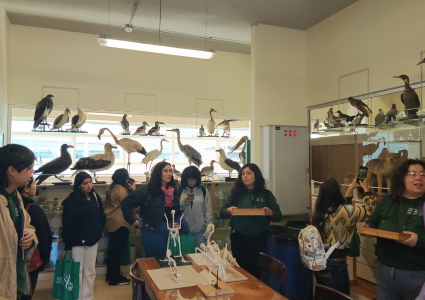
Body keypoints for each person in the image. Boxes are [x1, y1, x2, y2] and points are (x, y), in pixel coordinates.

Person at [362, 159, 425, 300]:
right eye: (412, 174)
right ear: (402, 178)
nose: (419, 177)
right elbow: (374, 221)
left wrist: (418, 240)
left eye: (423, 174)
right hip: (384, 270)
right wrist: (369, 228)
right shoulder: (389, 200)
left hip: (417, 274)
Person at [311, 176, 377, 296]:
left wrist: (351, 187)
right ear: (336, 193)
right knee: (341, 297)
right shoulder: (346, 211)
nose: (342, 189)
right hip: (336, 266)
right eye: (341, 187)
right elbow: (370, 211)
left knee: (324, 297)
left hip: (320, 261)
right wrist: (366, 189)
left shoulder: (320, 211)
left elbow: (344, 212)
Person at [220, 163, 282, 278]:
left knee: (256, 271)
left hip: (259, 239)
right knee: (239, 270)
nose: (245, 176)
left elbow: (278, 216)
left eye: (249, 173)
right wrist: (228, 211)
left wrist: (270, 213)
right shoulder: (236, 193)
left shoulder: (266, 194)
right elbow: (222, 212)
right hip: (239, 237)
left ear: (256, 176)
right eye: (242, 174)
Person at [0, 144, 37, 300]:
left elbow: (27, 225)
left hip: (17, 277)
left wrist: (30, 234)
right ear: (12, 170)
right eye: (28, 168)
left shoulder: (16, 197)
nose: (32, 172)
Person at [122, 161, 181, 258]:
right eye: (165, 171)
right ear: (158, 173)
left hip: (170, 232)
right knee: (156, 264)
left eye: (170, 171)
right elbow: (126, 203)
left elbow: (177, 210)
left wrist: (176, 221)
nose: (169, 173)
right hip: (153, 231)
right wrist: (133, 221)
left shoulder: (173, 190)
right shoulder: (148, 190)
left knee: (168, 263)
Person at [62, 172, 105, 300]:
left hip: (92, 239)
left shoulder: (96, 197)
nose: (89, 186)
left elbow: (101, 216)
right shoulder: (71, 201)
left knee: (90, 271)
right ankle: (77, 297)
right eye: (85, 183)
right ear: (78, 185)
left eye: (90, 182)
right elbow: (68, 223)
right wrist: (68, 243)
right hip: (76, 241)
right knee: (77, 271)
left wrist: (99, 230)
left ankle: (87, 297)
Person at [18, 177, 52, 299]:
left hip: (13, 260)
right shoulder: (33, 209)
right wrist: (44, 260)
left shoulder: (12, 204)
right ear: (26, 188)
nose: (36, 187)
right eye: (34, 184)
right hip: (29, 260)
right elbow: (44, 237)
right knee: (27, 293)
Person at [104, 168, 135, 286]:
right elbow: (129, 203)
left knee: (113, 252)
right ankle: (115, 278)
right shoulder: (121, 190)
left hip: (112, 221)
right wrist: (133, 190)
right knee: (117, 252)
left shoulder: (112, 187)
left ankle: (110, 276)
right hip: (120, 223)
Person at [179, 166, 212, 249]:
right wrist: (185, 200)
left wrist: (208, 231)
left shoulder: (204, 190)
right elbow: (176, 210)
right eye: (189, 179)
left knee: (202, 258)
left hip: (201, 231)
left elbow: (208, 211)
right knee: (186, 258)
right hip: (184, 231)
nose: (191, 181)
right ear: (184, 179)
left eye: (193, 179)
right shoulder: (179, 190)